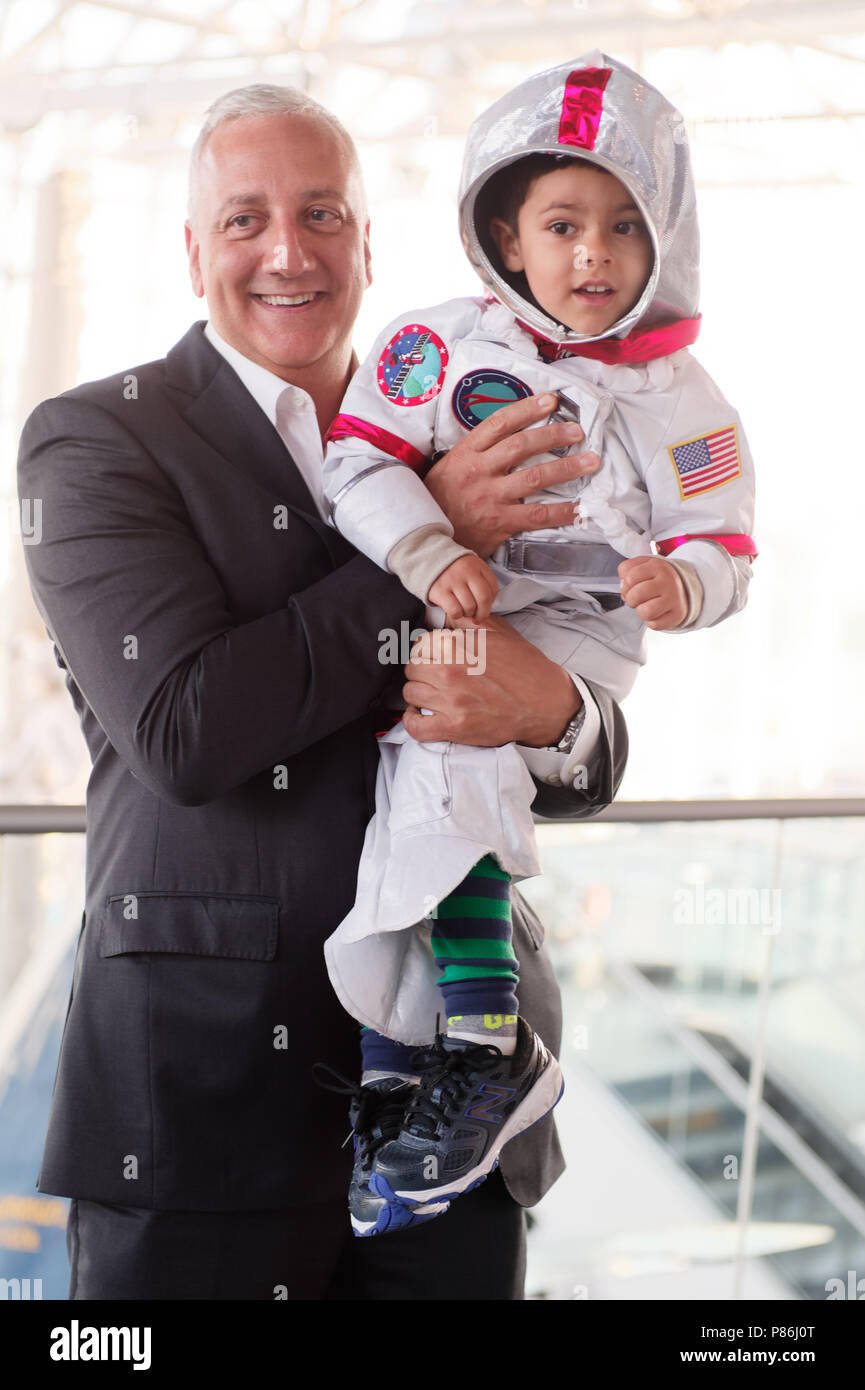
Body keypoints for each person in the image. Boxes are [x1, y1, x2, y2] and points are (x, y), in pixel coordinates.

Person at [16, 83, 628, 1301]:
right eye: (244, 220)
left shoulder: (473, 414)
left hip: (463, 1097)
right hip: (201, 1097)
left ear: (365, 240)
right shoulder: (95, 442)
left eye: (322, 214)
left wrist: (556, 718)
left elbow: (577, 728)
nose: (288, 251)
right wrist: (428, 531)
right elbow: (187, 728)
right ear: (195, 253)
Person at [320, 52, 756, 1232]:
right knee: (412, 814)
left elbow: (729, 545)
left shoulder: (687, 400)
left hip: (577, 645)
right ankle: (410, 1074)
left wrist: (685, 583)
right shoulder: (434, 347)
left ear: (661, 238)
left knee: (449, 756)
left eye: (623, 225)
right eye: (562, 225)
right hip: (459, 603)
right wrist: (428, 549)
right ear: (506, 240)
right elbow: (355, 463)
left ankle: (483, 1040)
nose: (594, 254)